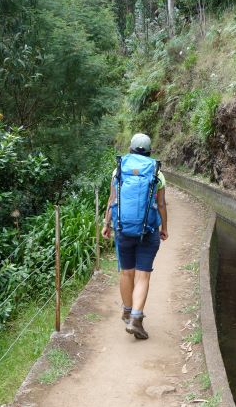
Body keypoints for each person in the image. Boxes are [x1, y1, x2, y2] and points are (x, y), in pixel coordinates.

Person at [102, 133, 168, 340]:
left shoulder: (119, 169)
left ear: (130, 148)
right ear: (149, 151)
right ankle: (136, 319)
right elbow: (162, 204)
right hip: (148, 231)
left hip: (122, 228)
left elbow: (112, 199)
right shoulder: (157, 173)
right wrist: (164, 227)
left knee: (126, 273)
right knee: (143, 275)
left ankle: (127, 311)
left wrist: (107, 224)